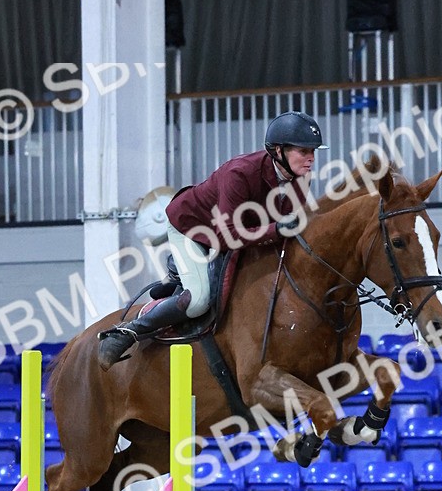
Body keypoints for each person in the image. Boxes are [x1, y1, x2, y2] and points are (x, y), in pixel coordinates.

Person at [97, 110, 326, 369]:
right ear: (277, 150)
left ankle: (179, 280)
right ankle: (127, 332)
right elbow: (227, 233)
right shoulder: (239, 173)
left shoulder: (299, 177)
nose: (311, 159)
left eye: (313, 152)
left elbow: (285, 226)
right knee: (198, 301)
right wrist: (277, 230)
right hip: (194, 229)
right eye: (304, 151)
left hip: (241, 233)